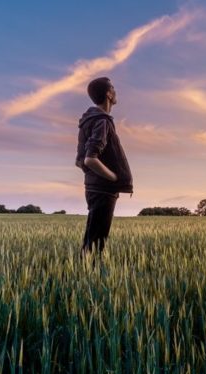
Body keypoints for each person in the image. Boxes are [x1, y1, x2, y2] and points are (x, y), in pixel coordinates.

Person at [75, 77, 133, 256]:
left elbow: (80, 160)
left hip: (93, 187)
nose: (115, 91)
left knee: (92, 239)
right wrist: (113, 178)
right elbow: (89, 159)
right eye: (113, 88)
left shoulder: (89, 120)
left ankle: (84, 275)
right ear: (108, 94)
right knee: (96, 243)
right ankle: (88, 279)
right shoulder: (102, 121)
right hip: (103, 189)